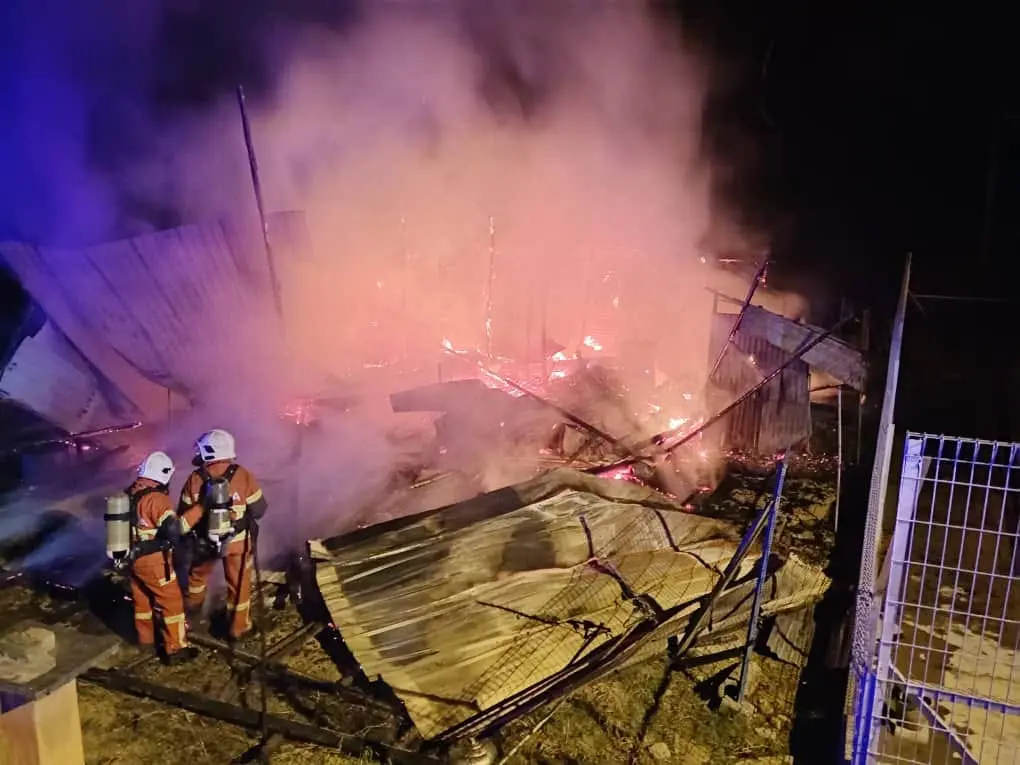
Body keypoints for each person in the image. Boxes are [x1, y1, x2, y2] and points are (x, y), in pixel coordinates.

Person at [177, 429, 268, 641]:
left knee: (197, 578)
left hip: (204, 543)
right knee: (239, 583)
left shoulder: (195, 478)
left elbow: (184, 514)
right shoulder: (243, 475)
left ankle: (191, 616)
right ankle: (239, 628)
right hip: (237, 543)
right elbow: (260, 510)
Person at [126, 451, 198, 664]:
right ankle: (176, 650)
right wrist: (199, 509)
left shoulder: (130, 492)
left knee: (142, 602)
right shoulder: (156, 499)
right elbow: (175, 529)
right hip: (154, 561)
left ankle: (145, 641)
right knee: (171, 602)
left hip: (133, 559)